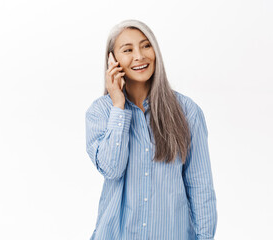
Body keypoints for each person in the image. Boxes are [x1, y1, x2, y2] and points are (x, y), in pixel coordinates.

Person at [85, 19, 217, 240]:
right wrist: (119, 107)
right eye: (127, 50)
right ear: (112, 60)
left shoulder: (187, 112)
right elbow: (111, 169)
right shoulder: (101, 113)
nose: (139, 56)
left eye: (146, 45)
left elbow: (200, 188)